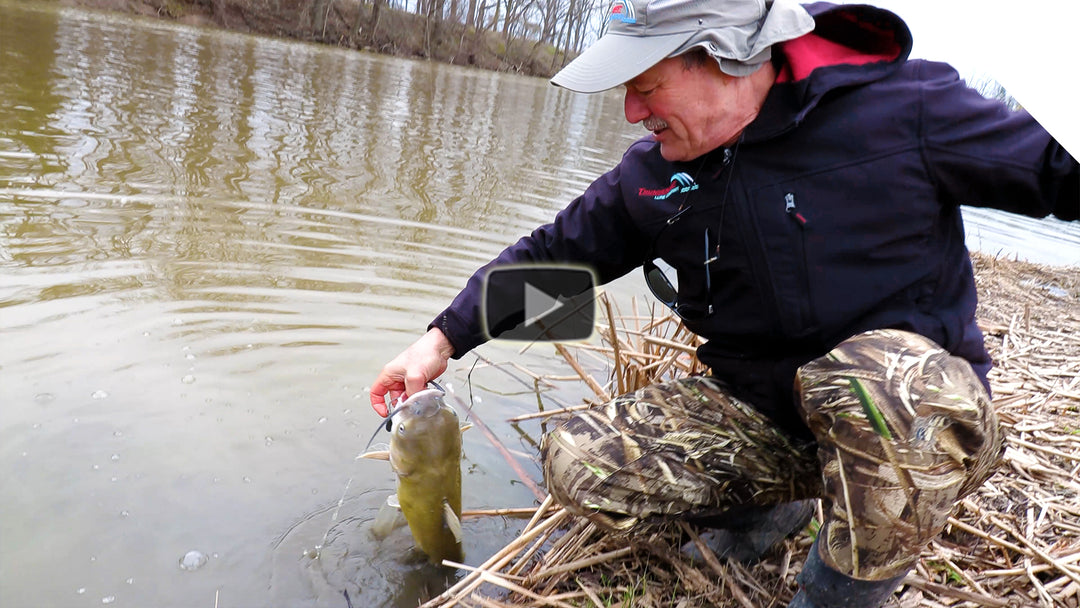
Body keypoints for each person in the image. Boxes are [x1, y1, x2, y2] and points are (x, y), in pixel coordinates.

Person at [369, 0, 1079, 605]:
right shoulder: (652, 177)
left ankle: (835, 594)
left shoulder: (906, 110)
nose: (630, 110)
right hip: (771, 421)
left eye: (646, 85)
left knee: (878, 383)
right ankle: (771, 511)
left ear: (726, 57)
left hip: (912, 423)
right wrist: (439, 343)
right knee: (580, 461)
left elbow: (1055, 168)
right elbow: (557, 257)